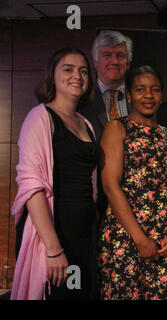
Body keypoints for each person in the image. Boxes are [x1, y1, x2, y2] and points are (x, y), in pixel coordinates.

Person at [11, 47, 98, 300]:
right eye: (68, 69)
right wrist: (53, 248)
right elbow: (32, 186)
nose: (77, 76)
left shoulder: (86, 123)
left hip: (84, 232)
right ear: (53, 75)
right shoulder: (39, 117)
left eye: (83, 71)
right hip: (54, 231)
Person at [97, 66, 167, 300]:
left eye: (155, 90)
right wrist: (139, 239)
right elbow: (110, 185)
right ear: (128, 95)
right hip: (127, 236)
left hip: (165, 241)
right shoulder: (117, 128)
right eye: (140, 90)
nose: (148, 95)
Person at [78, 30, 134, 224]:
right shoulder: (79, 103)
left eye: (120, 55)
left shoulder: (142, 98)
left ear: (128, 62)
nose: (114, 61)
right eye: (107, 55)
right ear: (95, 61)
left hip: (137, 201)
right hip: (94, 204)